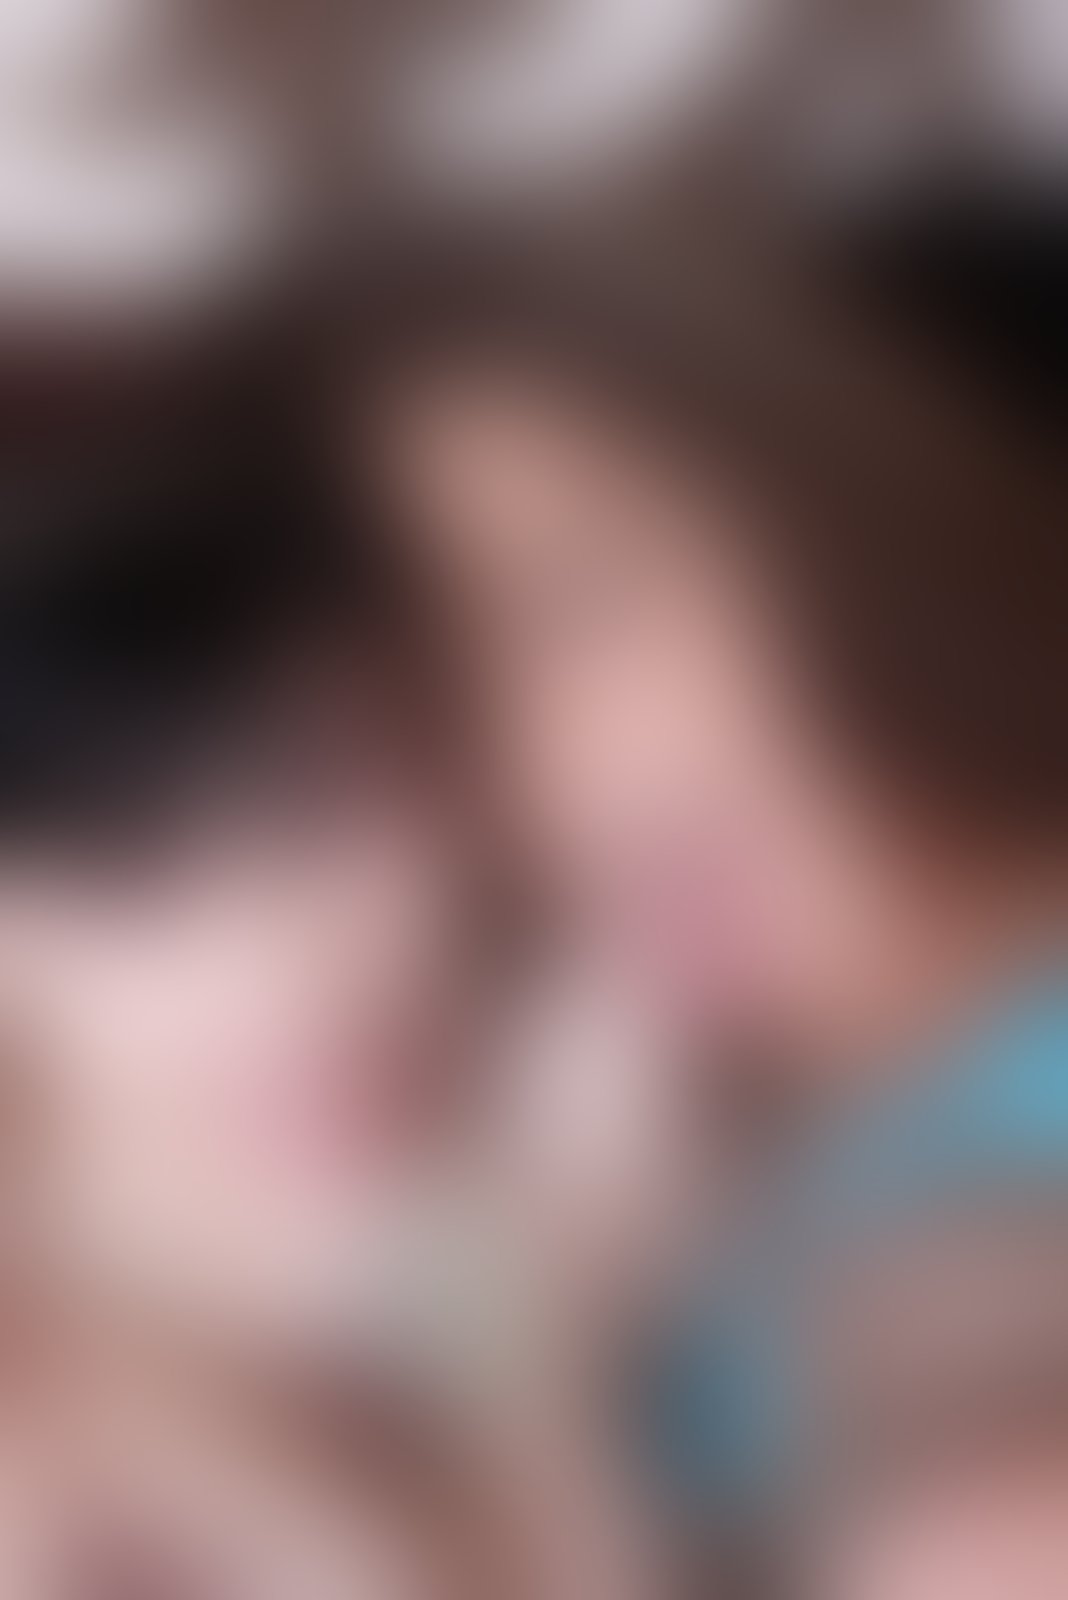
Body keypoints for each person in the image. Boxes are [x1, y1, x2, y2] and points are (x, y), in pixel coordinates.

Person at [336, 220, 1068, 1553]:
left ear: (854, 527)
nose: (527, 766)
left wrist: (556, 1411)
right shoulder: (575, 1201)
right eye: (421, 699)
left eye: (572, 602)